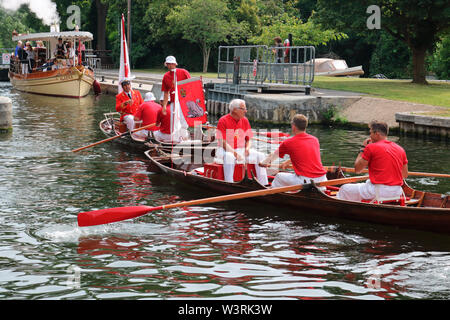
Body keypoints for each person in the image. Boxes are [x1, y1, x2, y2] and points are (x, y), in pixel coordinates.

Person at [337, 120, 408, 202]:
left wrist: (362, 148)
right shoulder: (400, 149)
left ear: (376, 134)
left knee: (344, 188)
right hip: (397, 192)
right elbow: (404, 175)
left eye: (370, 133)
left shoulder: (370, 147)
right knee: (362, 187)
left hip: (378, 191)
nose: (369, 136)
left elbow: (357, 169)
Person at [259, 114, 327, 189]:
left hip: (306, 182)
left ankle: (274, 195)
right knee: (290, 176)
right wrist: (287, 162)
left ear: (293, 126)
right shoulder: (315, 140)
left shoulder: (288, 142)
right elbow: (303, 156)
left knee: (278, 176)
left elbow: (272, 156)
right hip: (323, 180)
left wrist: (262, 163)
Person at [214, 99, 268, 185]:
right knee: (229, 157)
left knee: (260, 155)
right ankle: (229, 183)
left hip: (240, 150)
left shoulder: (245, 120)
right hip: (225, 150)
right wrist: (235, 154)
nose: (245, 111)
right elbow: (222, 142)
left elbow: (249, 139)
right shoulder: (223, 120)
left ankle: (264, 184)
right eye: (243, 109)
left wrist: (247, 148)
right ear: (235, 109)